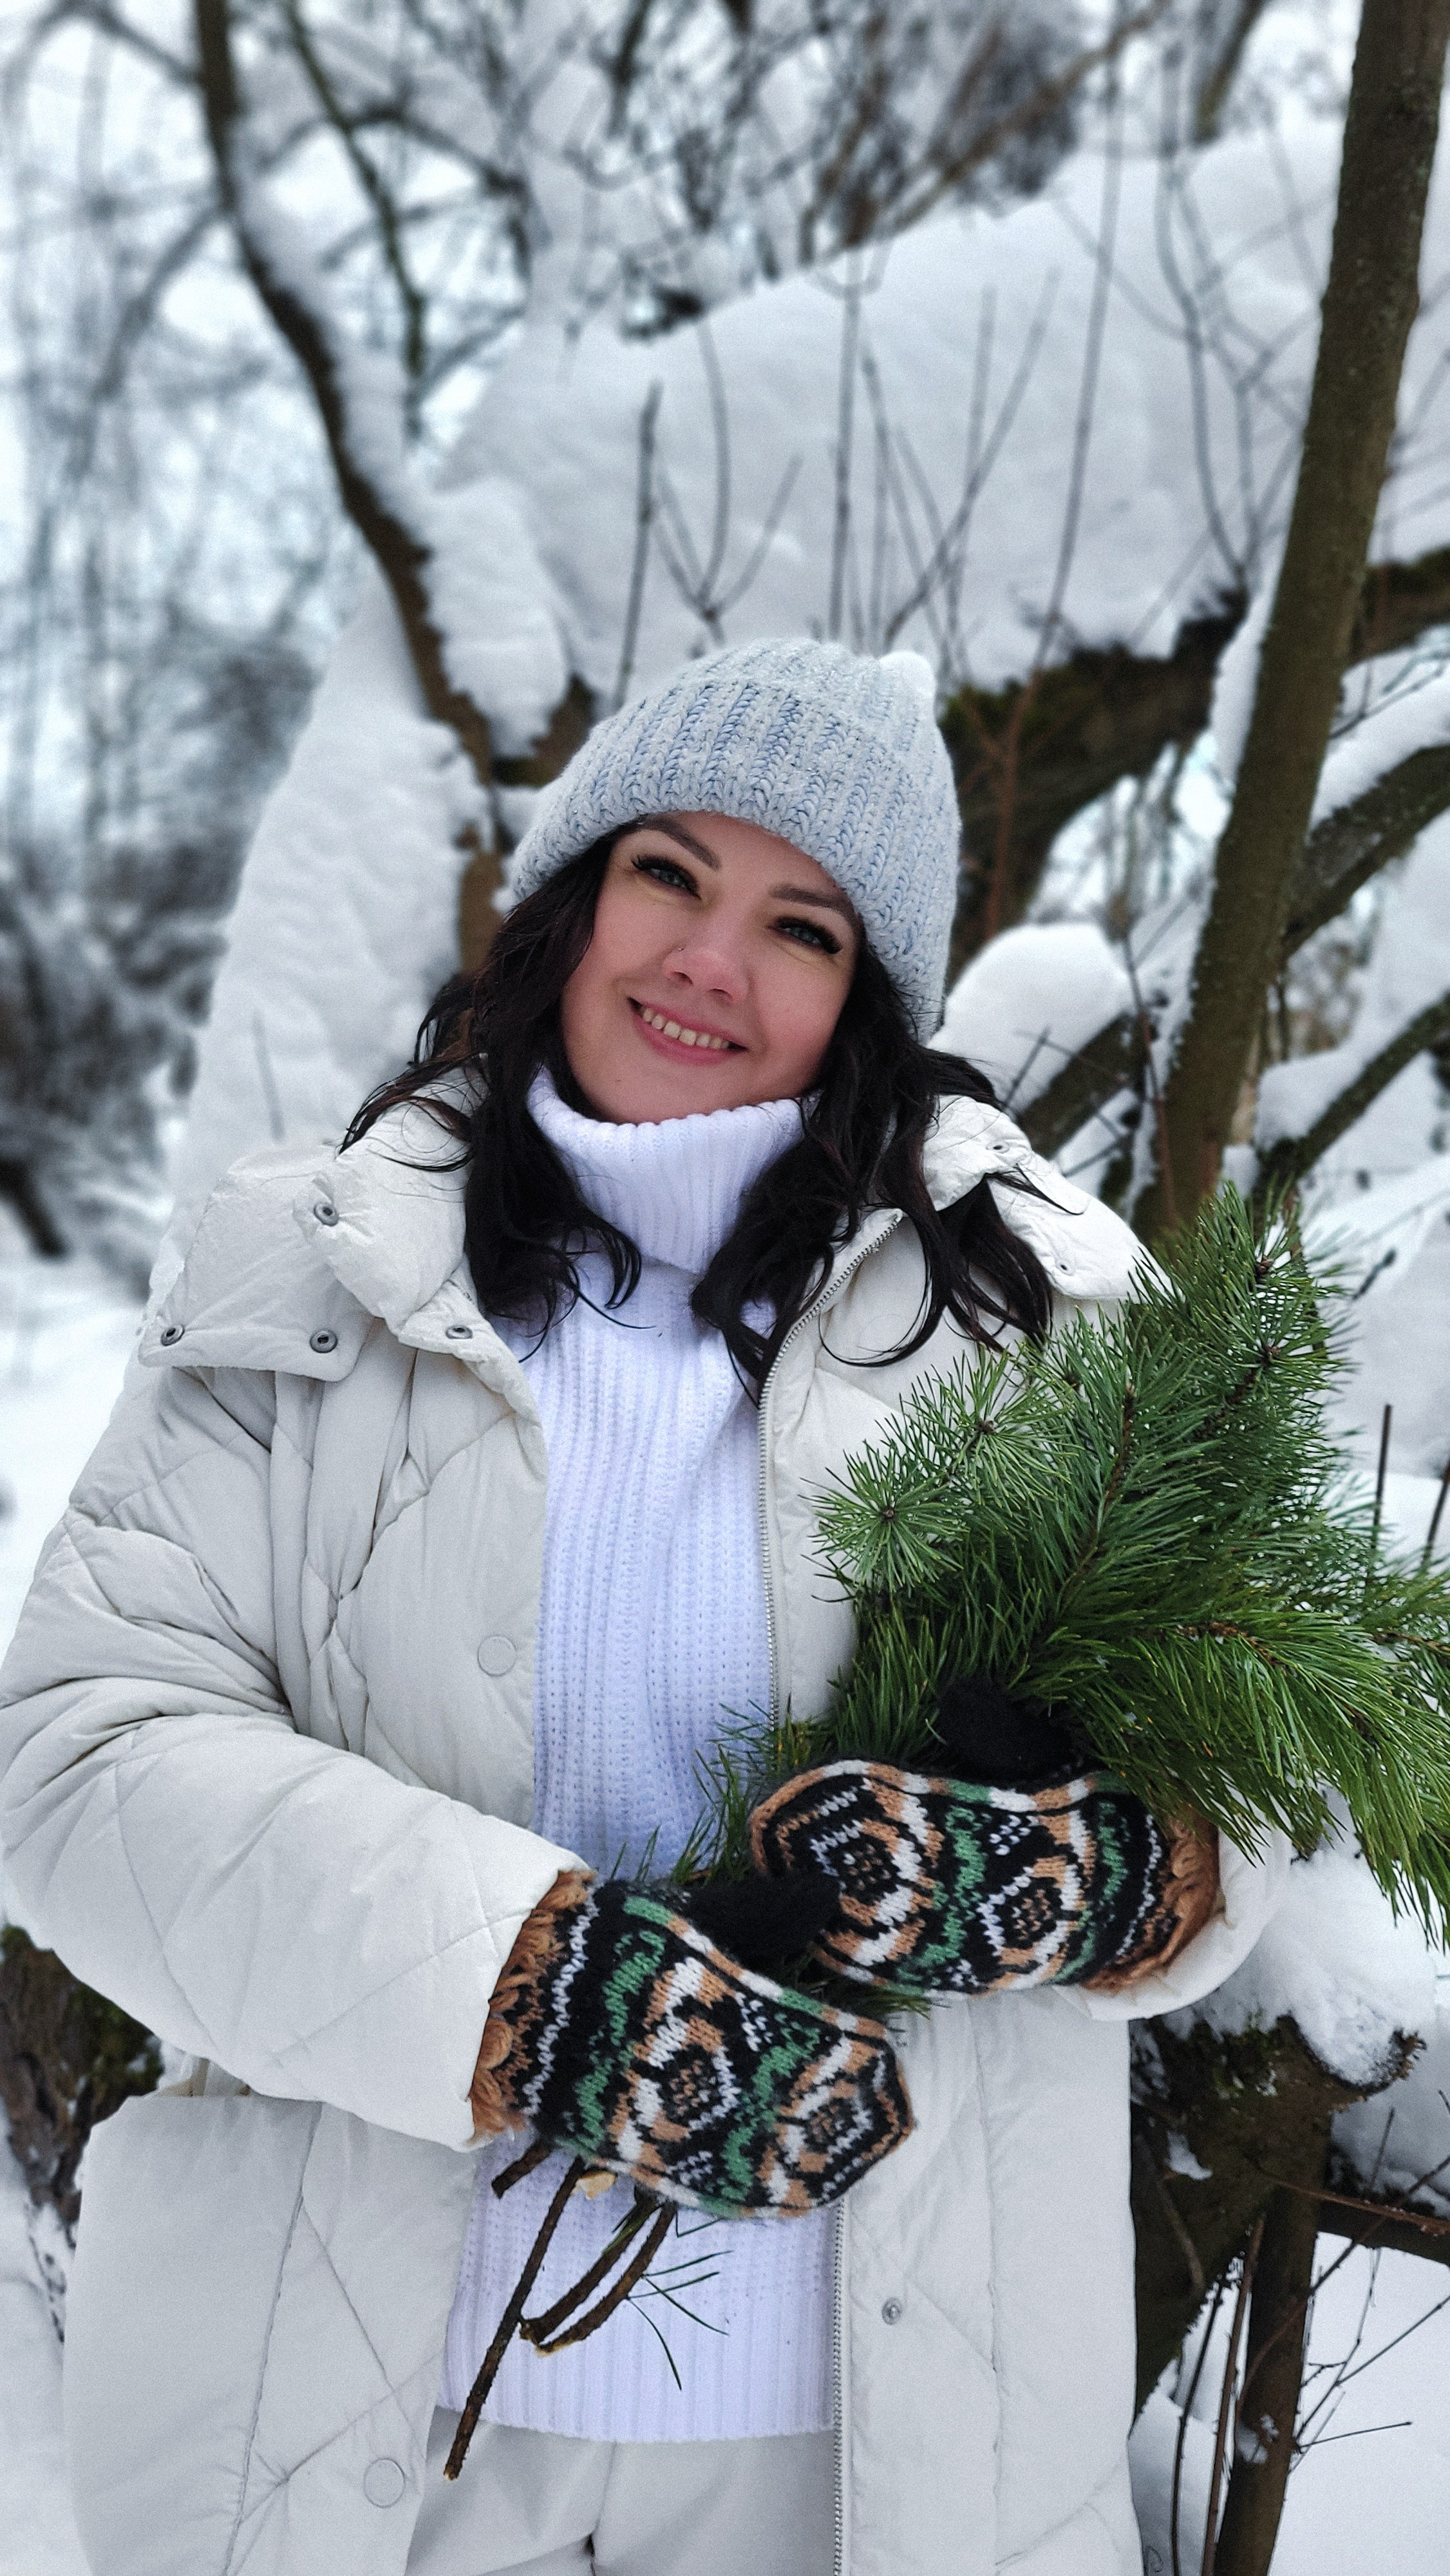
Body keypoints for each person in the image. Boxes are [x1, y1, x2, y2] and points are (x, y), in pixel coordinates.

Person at [0, 641, 1286, 2576]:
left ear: (870, 999)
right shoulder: (309, 1272)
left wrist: (1102, 1875)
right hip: (365, 2407)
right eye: (669, 874)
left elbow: (1265, 1757)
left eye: (802, 925)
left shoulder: (1043, 1321)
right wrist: (551, 1997)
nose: (709, 960)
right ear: (571, 893)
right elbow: (82, 1757)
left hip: (872, 2453)